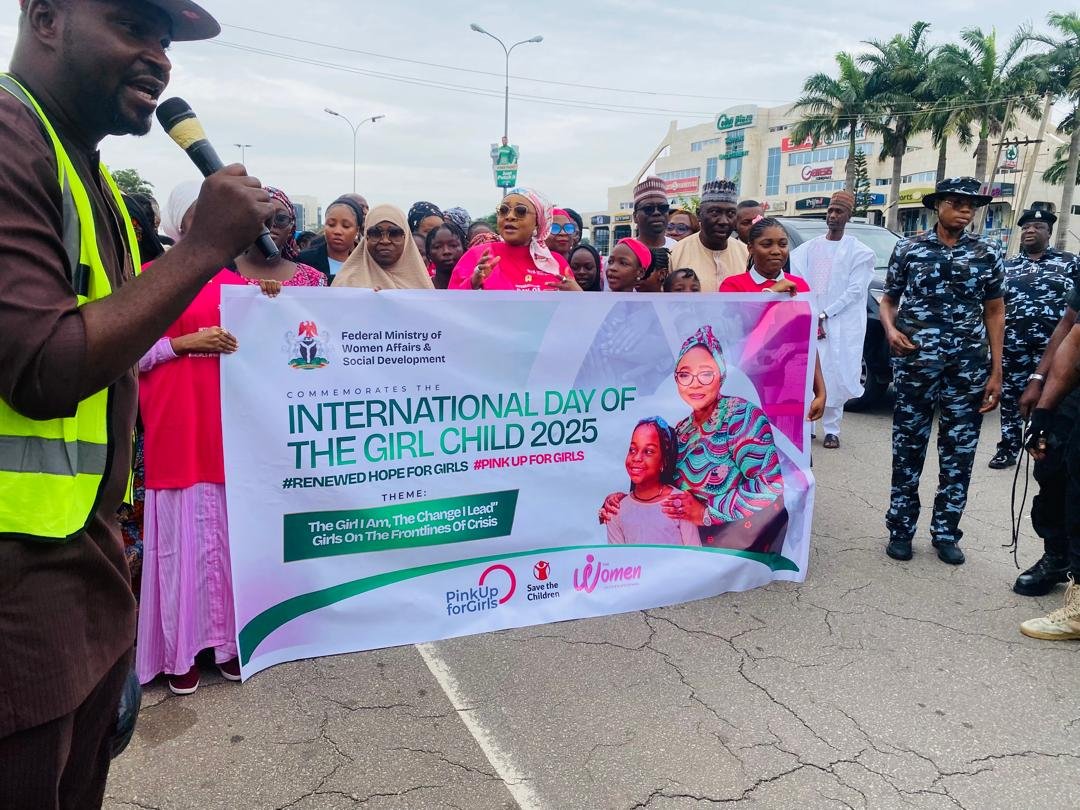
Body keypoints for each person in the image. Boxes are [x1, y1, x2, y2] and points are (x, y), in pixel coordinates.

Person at [0, 0, 274, 805]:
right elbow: (40, 366)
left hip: (80, 553)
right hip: (17, 574)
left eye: (165, 39)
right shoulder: (9, 140)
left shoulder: (85, 172)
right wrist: (203, 248)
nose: (158, 56)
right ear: (45, 19)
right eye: (132, 26)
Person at [136, 185, 309, 695]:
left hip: (230, 428)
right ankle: (179, 652)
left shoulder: (239, 286)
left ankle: (229, 644)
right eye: (199, 213)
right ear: (179, 221)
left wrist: (269, 306)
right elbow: (126, 355)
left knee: (230, 541)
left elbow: (277, 354)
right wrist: (181, 344)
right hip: (177, 423)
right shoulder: (149, 279)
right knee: (179, 544)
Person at [879, 178, 1004, 566]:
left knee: (959, 451)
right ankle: (901, 530)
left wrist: (997, 371)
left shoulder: (987, 252)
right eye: (956, 202)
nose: (965, 210)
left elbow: (995, 310)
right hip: (916, 363)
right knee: (908, 448)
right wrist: (890, 330)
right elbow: (888, 299)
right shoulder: (909, 248)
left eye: (971, 205)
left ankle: (946, 532)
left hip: (967, 367)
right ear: (938, 206)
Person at [600, 326, 788, 553]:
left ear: (721, 374)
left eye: (706, 373)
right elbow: (660, 484)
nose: (694, 383)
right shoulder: (681, 431)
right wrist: (626, 502)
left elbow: (770, 485)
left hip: (740, 550)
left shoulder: (741, 417)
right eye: (685, 374)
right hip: (686, 550)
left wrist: (706, 513)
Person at [989, 209, 1080, 470]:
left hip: (1053, 347)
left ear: (1049, 232)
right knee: (1011, 398)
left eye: (1038, 226)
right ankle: (1007, 448)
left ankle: (1046, 444)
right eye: (1026, 227)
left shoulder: (1070, 263)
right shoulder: (1007, 266)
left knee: (1052, 396)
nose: (1030, 231)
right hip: (1014, 344)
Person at [789, 190, 875, 449]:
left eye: (839, 212)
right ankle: (808, 426)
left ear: (849, 216)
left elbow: (855, 290)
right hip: (811, 319)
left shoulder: (859, 251)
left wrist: (826, 314)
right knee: (808, 372)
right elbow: (799, 282)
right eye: (830, 211)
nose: (833, 216)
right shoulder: (808, 249)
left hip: (841, 323)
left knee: (836, 373)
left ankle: (832, 430)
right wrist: (811, 314)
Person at [1012, 277, 1080, 597]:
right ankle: (1056, 557)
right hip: (1073, 384)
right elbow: (1070, 327)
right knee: (1049, 460)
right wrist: (1039, 382)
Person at [450, 188, 580, 291]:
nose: (510, 216)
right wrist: (473, 283)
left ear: (537, 221)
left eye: (521, 211)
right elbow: (450, 306)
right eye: (503, 210)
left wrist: (577, 294)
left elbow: (575, 310)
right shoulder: (479, 256)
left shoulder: (555, 263)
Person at [606, 418, 701, 546]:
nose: (637, 458)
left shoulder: (679, 503)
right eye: (632, 450)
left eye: (648, 451)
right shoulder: (616, 511)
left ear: (664, 461)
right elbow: (616, 556)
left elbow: (695, 554)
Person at [231, 187, 326, 288]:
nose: (270, 224)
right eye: (263, 217)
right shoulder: (222, 270)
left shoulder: (312, 279)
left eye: (280, 218)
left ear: (291, 228)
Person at [669, 179, 749, 292]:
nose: (723, 221)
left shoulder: (746, 254)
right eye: (715, 212)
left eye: (731, 213)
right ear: (699, 214)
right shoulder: (675, 254)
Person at [333, 204, 434, 290]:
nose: (385, 241)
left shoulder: (422, 285)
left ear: (406, 237)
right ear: (366, 237)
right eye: (375, 233)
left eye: (394, 233)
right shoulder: (345, 283)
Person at [721, 217, 811, 295]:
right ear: (751, 248)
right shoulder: (733, 286)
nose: (776, 251)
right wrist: (771, 292)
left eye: (783, 244)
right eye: (766, 245)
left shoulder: (799, 284)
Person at [298, 196, 364, 283]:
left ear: (357, 230)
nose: (337, 231)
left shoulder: (367, 264)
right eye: (331, 224)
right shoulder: (303, 261)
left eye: (346, 226)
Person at [633, 175, 676, 250]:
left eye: (663, 207)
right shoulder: (625, 251)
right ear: (635, 217)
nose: (656, 212)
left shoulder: (678, 248)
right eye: (648, 208)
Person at [427, 220, 466, 290]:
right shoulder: (421, 288)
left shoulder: (477, 287)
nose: (446, 251)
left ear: (464, 249)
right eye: (438, 247)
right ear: (428, 254)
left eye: (453, 245)